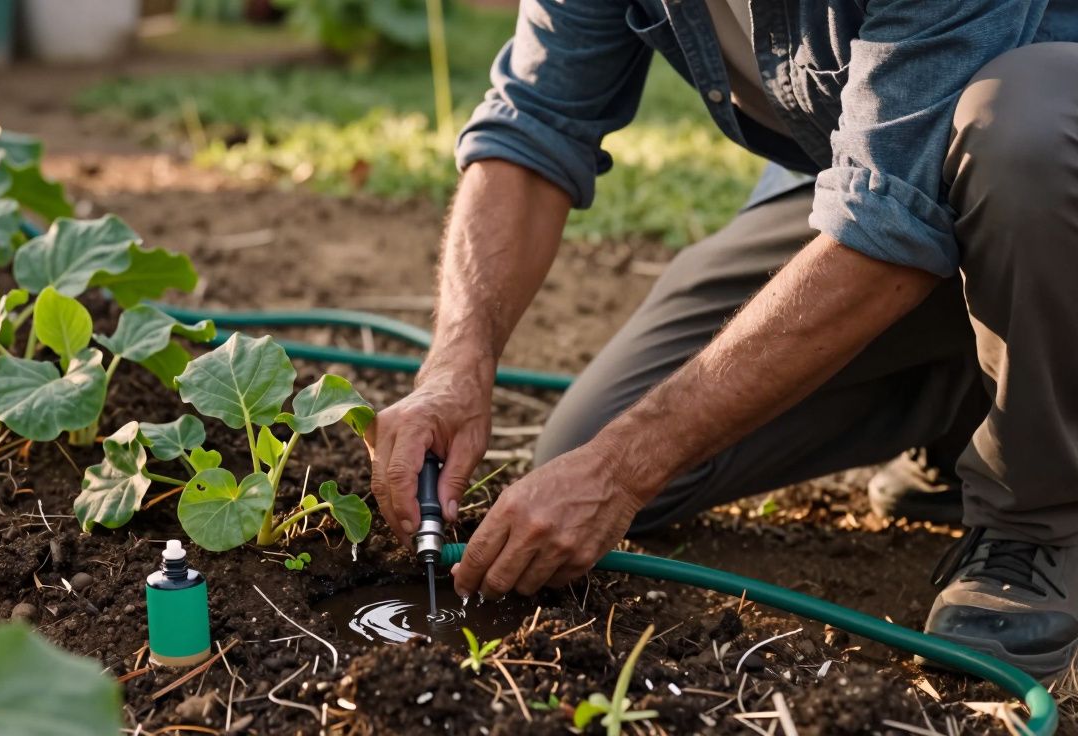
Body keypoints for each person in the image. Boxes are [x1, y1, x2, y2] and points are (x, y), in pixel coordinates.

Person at [365, 0, 1078, 678]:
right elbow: (534, 124)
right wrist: (456, 363)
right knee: (588, 440)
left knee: (1022, 128)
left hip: (1042, 161)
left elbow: (887, 228)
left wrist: (621, 466)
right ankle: (968, 412)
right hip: (893, 178)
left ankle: (1038, 521)